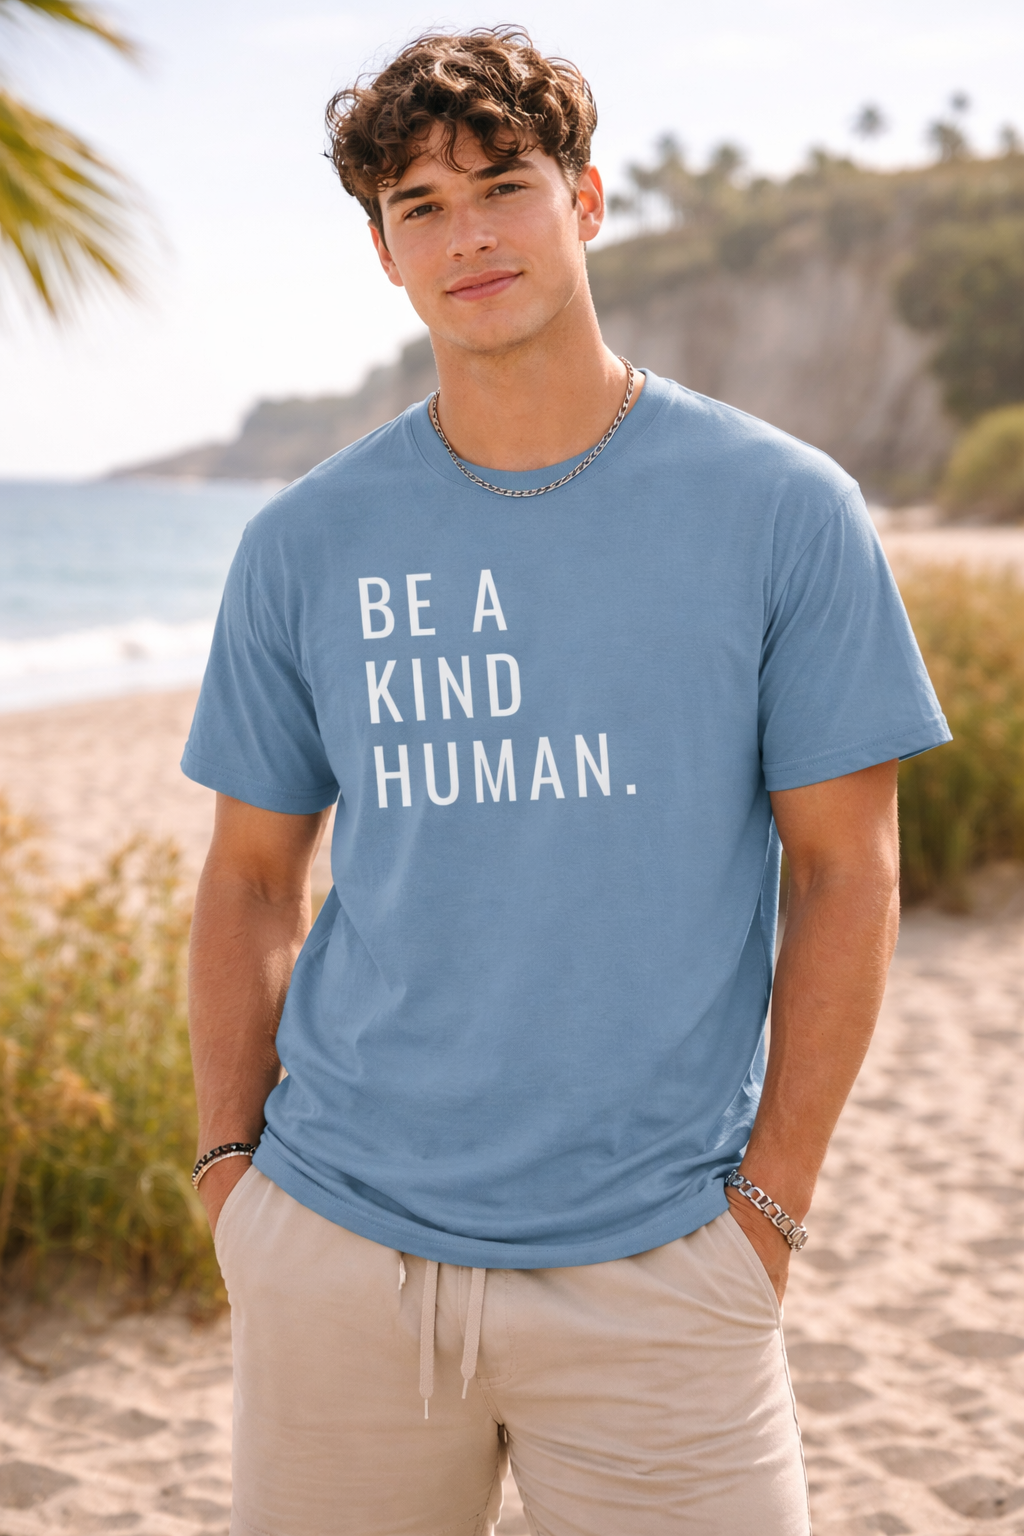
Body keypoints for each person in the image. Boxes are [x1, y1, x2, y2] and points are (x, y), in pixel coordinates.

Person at [182, 27, 950, 1536]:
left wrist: (768, 1215)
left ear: (587, 202)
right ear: (385, 257)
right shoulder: (305, 544)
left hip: (663, 1270)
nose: (467, 234)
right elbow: (253, 876)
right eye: (417, 206)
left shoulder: (782, 510)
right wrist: (230, 1177)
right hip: (342, 1255)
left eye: (502, 185)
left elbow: (848, 874)